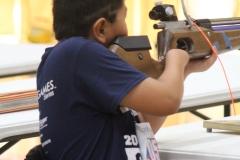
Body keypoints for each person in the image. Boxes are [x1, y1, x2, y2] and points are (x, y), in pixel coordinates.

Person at [36, 0, 217, 159]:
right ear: (101, 29)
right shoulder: (81, 53)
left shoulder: (58, 59)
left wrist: (183, 70)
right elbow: (168, 100)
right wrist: (177, 59)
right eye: (124, 18)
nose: (126, 29)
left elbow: (142, 124)